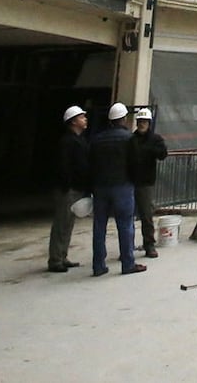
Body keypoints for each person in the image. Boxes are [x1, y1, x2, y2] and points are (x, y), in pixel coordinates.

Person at [87, 102, 146, 276]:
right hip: (122, 186)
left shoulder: (97, 140)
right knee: (125, 225)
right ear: (124, 119)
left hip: (101, 187)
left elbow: (91, 164)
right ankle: (127, 263)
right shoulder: (129, 139)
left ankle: (98, 265)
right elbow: (135, 163)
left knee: (99, 226)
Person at [47, 104, 88, 273]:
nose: (85, 119)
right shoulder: (67, 142)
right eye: (81, 117)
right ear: (73, 122)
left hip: (75, 188)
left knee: (68, 223)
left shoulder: (79, 140)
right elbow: (64, 166)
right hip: (68, 189)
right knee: (61, 223)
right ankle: (56, 259)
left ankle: (62, 256)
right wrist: (67, 185)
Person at [129, 107, 168, 258]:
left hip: (145, 183)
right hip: (131, 181)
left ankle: (149, 244)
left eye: (145, 122)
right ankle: (127, 246)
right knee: (128, 216)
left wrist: (152, 150)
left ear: (149, 123)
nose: (142, 124)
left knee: (146, 215)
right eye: (140, 121)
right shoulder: (131, 140)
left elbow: (162, 154)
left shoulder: (155, 139)